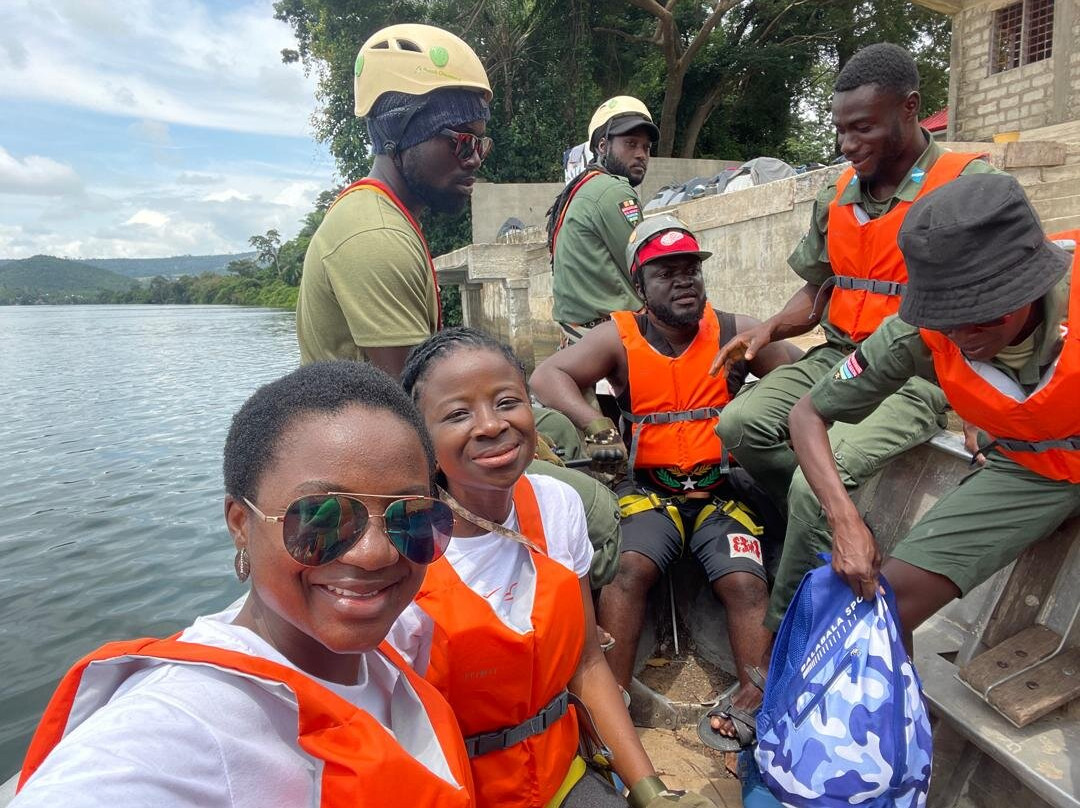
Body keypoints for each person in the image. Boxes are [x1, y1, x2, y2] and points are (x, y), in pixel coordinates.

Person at [12, 361, 474, 806]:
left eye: (410, 516)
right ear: (240, 523)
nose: (376, 553)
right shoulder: (180, 726)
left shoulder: (392, 647)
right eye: (321, 517)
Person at [711, 42, 996, 631]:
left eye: (862, 127)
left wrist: (982, 405)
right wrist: (768, 329)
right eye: (840, 129)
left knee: (818, 484)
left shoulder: (965, 187)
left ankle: (783, 637)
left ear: (910, 109)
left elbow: (1001, 302)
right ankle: (813, 526)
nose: (846, 143)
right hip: (841, 355)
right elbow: (816, 291)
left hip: (918, 375)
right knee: (739, 426)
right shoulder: (836, 194)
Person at [395, 328, 716, 808]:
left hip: (560, 773)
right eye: (458, 414)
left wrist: (650, 791)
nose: (491, 425)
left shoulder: (557, 506)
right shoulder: (400, 557)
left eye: (507, 402)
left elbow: (586, 663)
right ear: (421, 440)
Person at [531, 215, 798, 751]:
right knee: (627, 572)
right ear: (641, 286)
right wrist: (595, 422)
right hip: (648, 495)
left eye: (691, 272)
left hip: (722, 497)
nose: (683, 282)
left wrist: (769, 406)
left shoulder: (735, 329)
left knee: (745, 584)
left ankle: (755, 709)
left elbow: (797, 369)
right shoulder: (619, 337)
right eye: (666, 273)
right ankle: (609, 712)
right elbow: (546, 376)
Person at [787, 173, 1079, 650]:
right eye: (947, 317)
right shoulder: (916, 334)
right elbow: (807, 415)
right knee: (882, 607)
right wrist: (845, 522)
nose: (964, 335)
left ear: (1032, 283)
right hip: (1033, 470)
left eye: (985, 312)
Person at [296, 23, 492, 378]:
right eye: (462, 140)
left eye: (480, 144)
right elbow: (417, 403)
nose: (474, 159)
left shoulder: (385, 216)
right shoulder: (376, 235)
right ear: (396, 137)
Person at [549, 96, 660, 343]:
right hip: (611, 342)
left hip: (580, 337)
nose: (641, 154)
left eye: (646, 147)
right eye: (631, 144)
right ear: (602, 146)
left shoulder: (582, 189)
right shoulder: (613, 191)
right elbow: (648, 269)